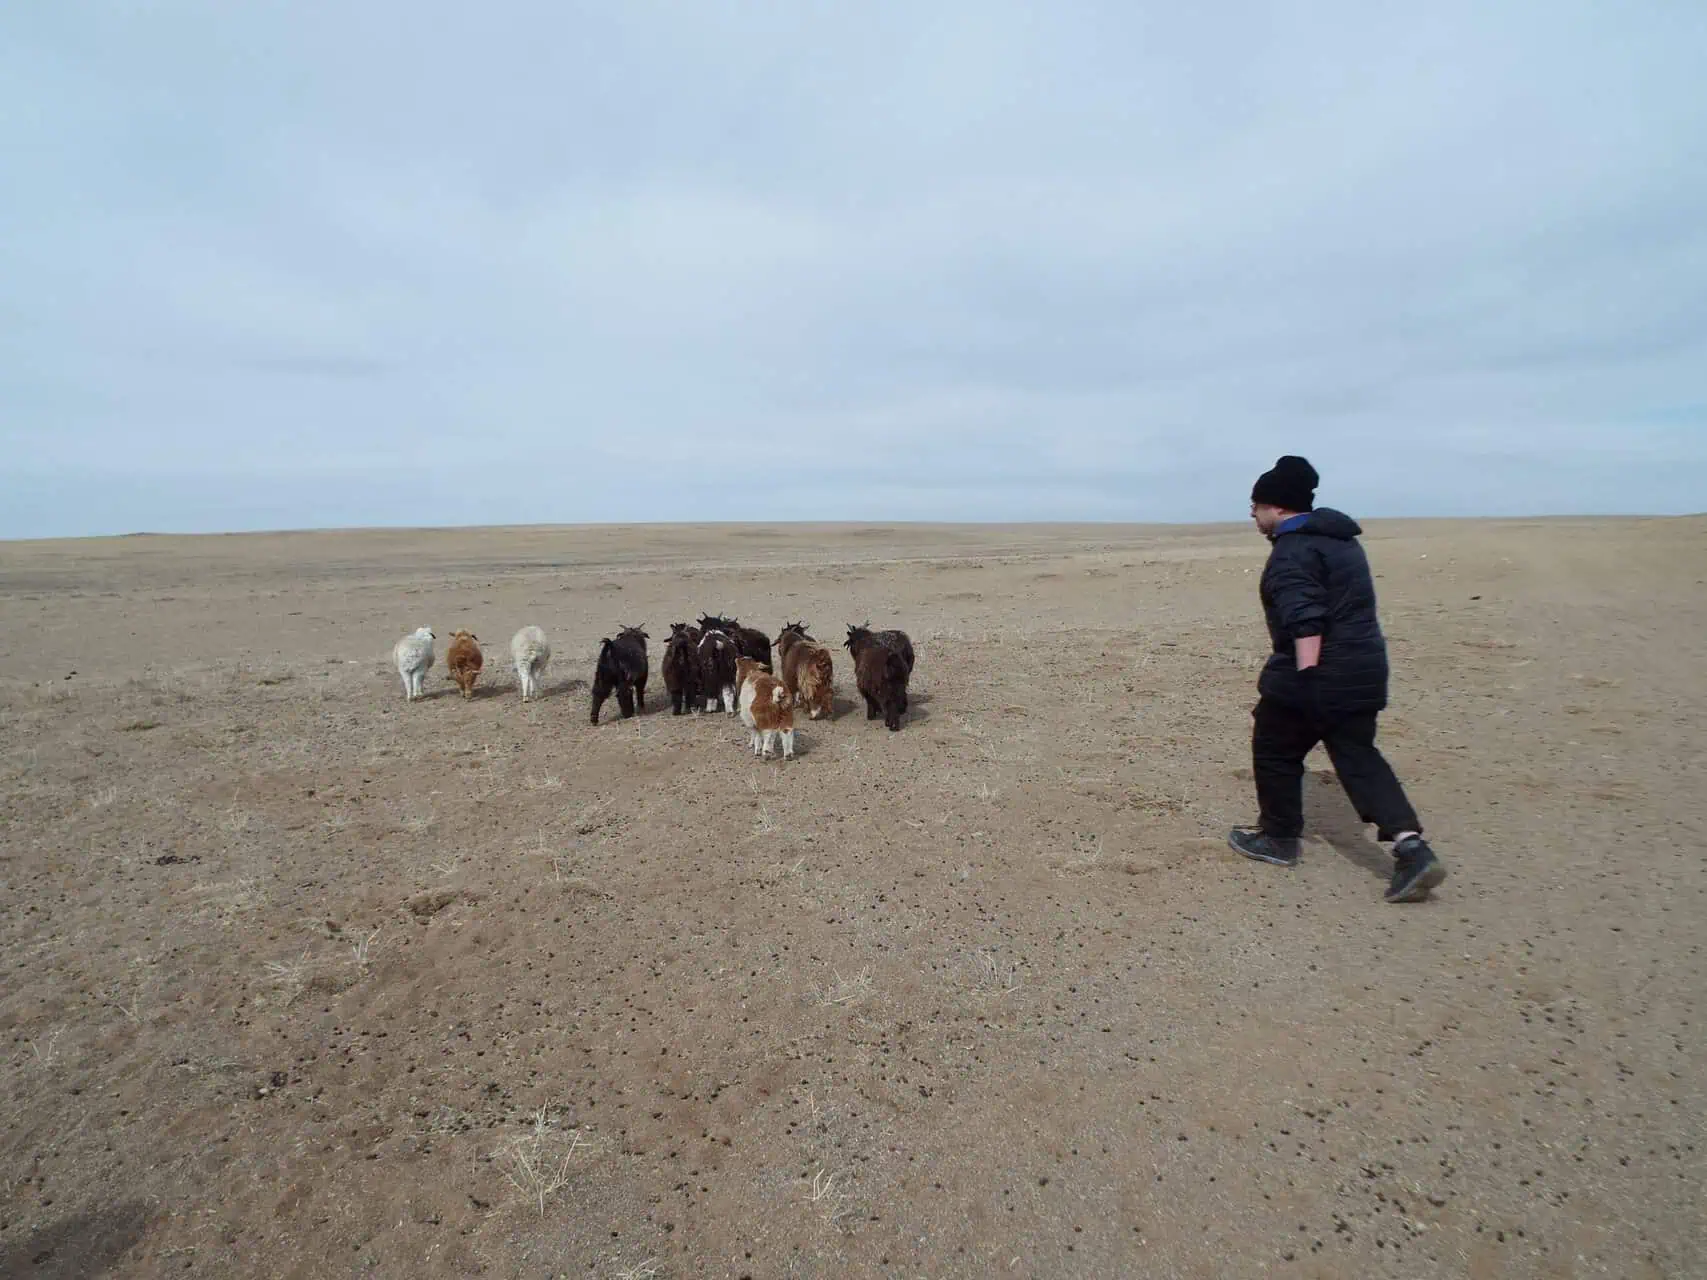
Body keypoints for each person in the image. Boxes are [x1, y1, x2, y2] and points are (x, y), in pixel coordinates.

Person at [1228, 455, 1448, 903]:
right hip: (1363, 672)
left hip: (1318, 675)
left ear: (1278, 507)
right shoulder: (1341, 542)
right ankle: (1412, 850)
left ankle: (1278, 838)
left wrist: (1306, 679)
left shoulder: (1293, 553)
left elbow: (1306, 621)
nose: (1252, 514)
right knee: (1357, 755)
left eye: (1256, 505)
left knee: (1274, 748)